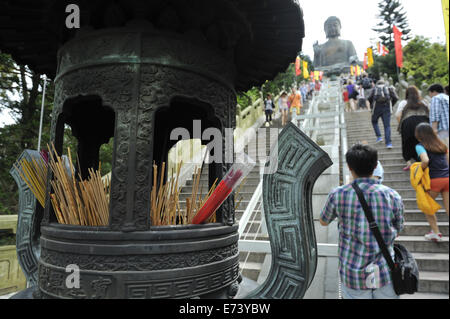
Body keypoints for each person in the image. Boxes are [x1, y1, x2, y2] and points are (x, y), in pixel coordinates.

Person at [320, 144, 404, 299]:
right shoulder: (392, 195)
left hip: (353, 274)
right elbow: (398, 228)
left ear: (349, 167)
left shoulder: (338, 195)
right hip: (385, 271)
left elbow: (324, 221)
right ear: (375, 165)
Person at [415, 123, 449, 242]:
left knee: (427, 206)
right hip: (447, 179)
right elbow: (448, 160)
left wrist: (422, 170)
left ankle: (436, 233)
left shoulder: (420, 146)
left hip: (434, 180)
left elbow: (425, 160)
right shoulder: (441, 144)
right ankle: (435, 232)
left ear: (419, 135)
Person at [396, 86, 430, 171]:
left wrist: (402, 125)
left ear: (406, 94)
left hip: (408, 124)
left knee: (407, 143)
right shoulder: (423, 102)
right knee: (424, 142)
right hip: (424, 123)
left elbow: (397, 115)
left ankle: (409, 163)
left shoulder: (403, 102)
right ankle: (425, 159)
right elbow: (429, 111)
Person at [368, 80, 399, 149]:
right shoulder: (389, 88)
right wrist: (391, 104)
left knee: (374, 121)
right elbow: (396, 98)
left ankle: (379, 137)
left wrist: (371, 105)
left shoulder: (374, 89)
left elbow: (369, 98)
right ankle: (388, 143)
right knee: (387, 126)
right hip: (386, 108)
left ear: (377, 84)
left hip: (376, 108)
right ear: (384, 84)